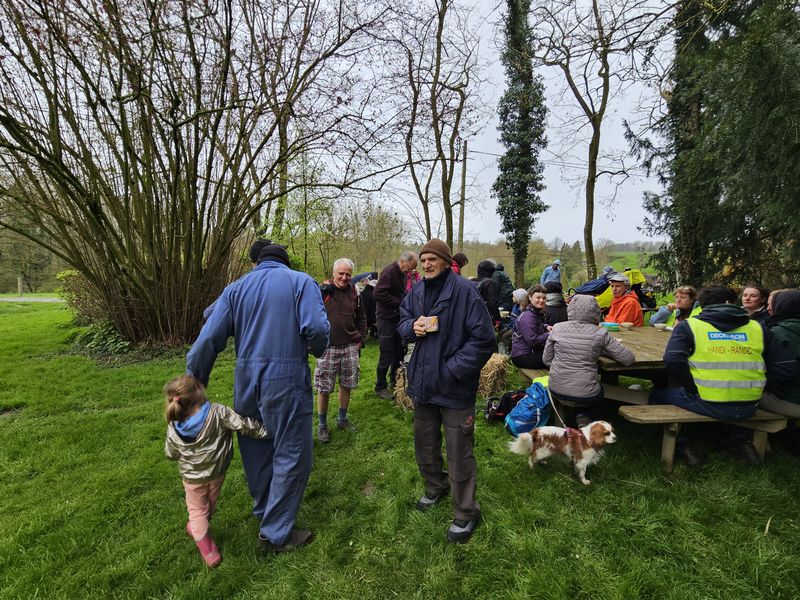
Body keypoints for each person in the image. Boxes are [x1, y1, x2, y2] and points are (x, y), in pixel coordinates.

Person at [186, 242, 329, 553]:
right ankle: (276, 534)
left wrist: (195, 380)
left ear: (257, 262)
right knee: (293, 453)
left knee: (256, 448)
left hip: (247, 380)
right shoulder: (300, 282)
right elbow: (316, 328)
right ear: (286, 262)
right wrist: (315, 348)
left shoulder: (235, 289)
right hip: (286, 377)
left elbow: (209, 335)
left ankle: (267, 513)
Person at [398, 239, 495, 544]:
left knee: (459, 452)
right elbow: (401, 320)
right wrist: (410, 326)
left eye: (432, 259)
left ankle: (465, 512)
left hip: (454, 388)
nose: (426, 264)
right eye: (423, 259)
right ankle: (435, 486)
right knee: (425, 444)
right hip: (424, 385)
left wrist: (450, 370)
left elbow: (484, 341)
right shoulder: (416, 291)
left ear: (445, 261)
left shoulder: (465, 292)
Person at [651, 285, 799, 466]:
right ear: (730, 302)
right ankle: (739, 440)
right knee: (726, 400)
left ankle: (682, 446)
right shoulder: (757, 328)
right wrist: (759, 385)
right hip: (750, 404)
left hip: (709, 401)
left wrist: (692, 386)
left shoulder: (690, 325)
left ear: (702, 305)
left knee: (656, 395)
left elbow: (673, 360)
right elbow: (787, 367)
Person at [164, 374, 269, 568]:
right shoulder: (218, 412)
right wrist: (266, 431)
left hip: (194, 479)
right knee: (202, 510)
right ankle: (208, 549)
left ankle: (196, 526)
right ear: (199, 394)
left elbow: (170, 453)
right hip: (216, 474)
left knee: (204, 510)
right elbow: (243, 424)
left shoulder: (174, 427)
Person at [543, 295, 634, 426]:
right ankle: (588, 418)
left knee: (583, 388)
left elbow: (546, 360)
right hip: (585, 393)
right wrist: (600, 350)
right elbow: (628, 359)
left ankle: (581, 415)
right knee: (596, 391)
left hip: (556, 387)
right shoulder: (600, 333)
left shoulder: (557, 328)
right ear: (596, 311)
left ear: (571, 310)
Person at [315, 258, 368, 443]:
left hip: (350, 346)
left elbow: (362, 317)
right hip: (328, 347)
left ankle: (342, 419)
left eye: (348, 274)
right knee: (324, 388)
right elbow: (311, 316)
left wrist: (360, 339)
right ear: (334, 272)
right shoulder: (323, 291)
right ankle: (322, 426)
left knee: (347, 384)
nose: (344, 278)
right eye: (341, 274)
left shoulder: (355, 291)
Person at [374, 251, 418, 399]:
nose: (410, 271)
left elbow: (400, 292)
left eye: (412, 269)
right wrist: (399, 303)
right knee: (387, 352)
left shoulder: (402, 273)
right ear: (403, 261)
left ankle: (396, 381)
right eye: (410, 268)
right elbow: (378, 293)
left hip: (397, 318)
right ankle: (380, 386)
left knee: (400, 350)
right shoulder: (389, 271)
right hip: (386, 318)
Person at [759, 289, 800, 418]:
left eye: (772, 304)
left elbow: (782, 372)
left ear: (781, 306)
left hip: (791, 401)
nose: (768, 308)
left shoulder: (774, 333)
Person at [510, 285, 550, 369]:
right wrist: (549, 334)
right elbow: (533, 340)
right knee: (556, 358)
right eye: (538, 297)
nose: (541, 300)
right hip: (523, 356)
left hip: (528, 352)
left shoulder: (533, 312)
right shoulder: (528, 316)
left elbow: (535, 324)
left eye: (544, 298)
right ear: (530, 297)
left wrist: (545, 326)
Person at [475, 260, 501, 325]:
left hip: (470, 317)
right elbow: (492, 303)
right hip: (484, 318)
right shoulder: (490, 283)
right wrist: (497, 319)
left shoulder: (471, 281)